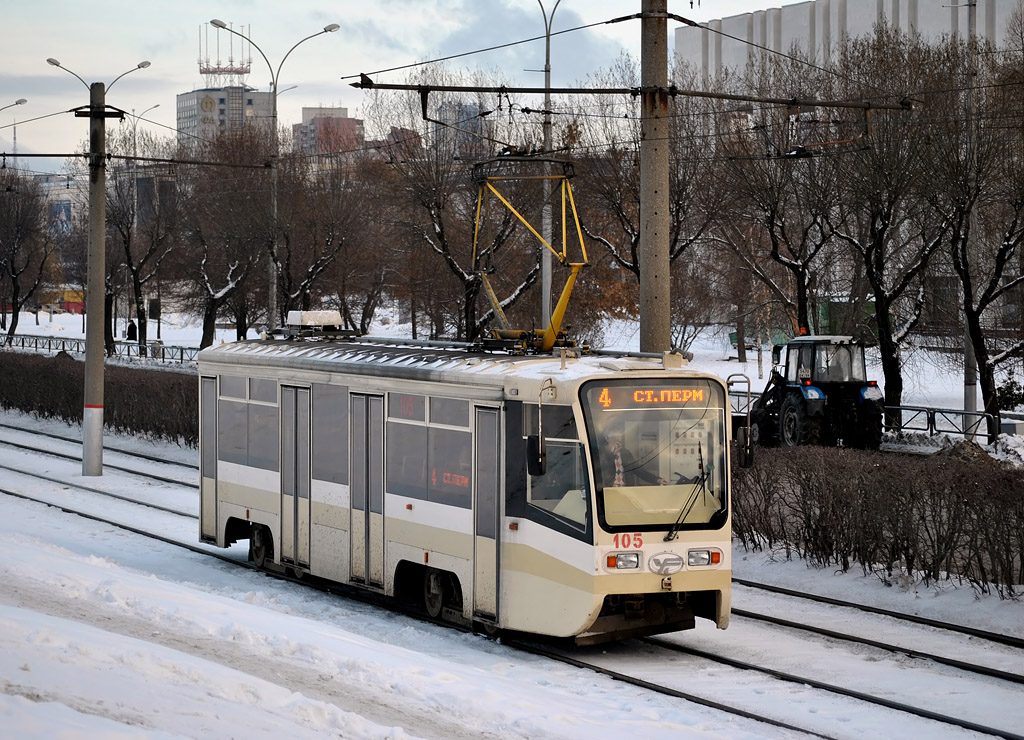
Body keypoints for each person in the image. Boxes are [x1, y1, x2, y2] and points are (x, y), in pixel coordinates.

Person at [602, 428, 667, 487]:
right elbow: (601, 473)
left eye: (619, 436)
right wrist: (611, 454)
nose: (617, 439)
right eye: (614, 437)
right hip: (608, 491)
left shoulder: (625, 453)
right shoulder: (601, 454)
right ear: (607, 438)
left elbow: (638, 470)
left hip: (626, 491)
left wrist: (657, 480)